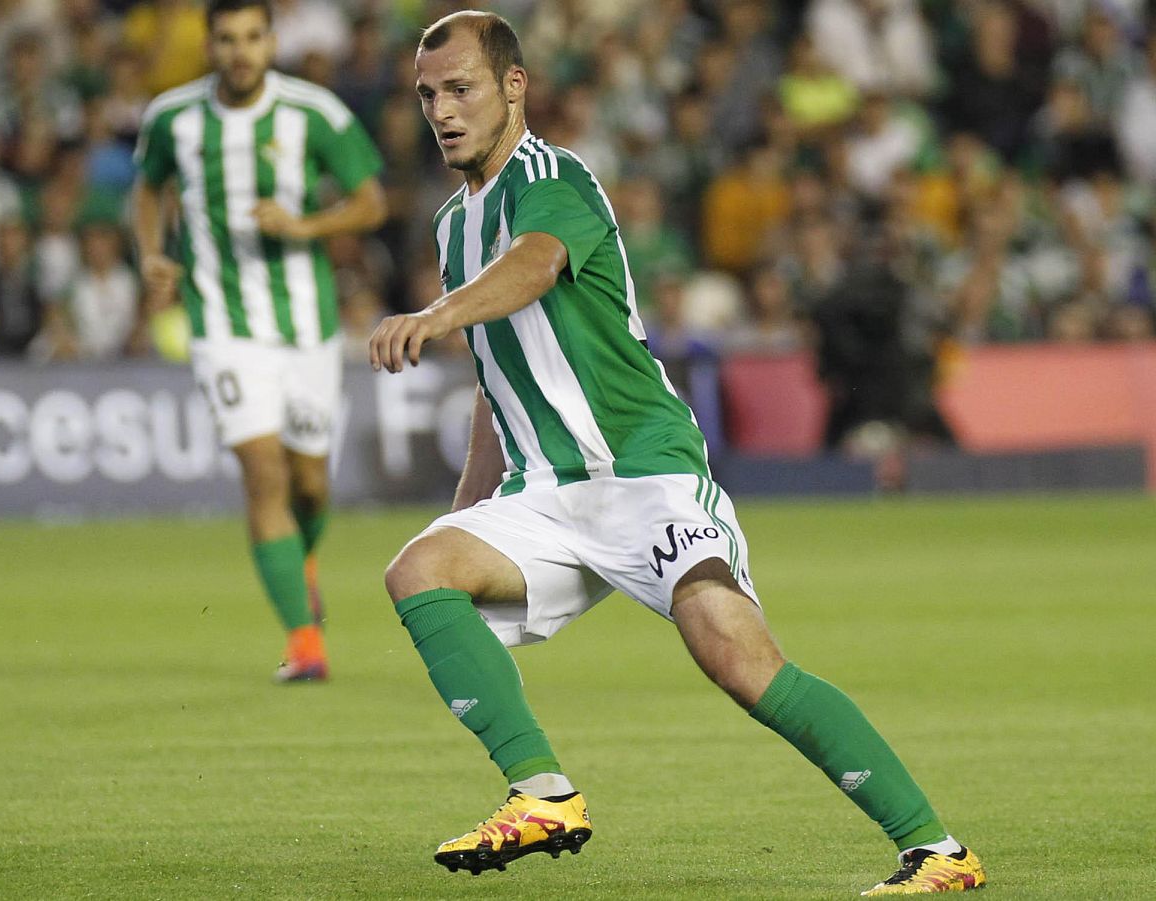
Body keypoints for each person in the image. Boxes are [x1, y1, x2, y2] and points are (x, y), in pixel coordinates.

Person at [366, 11, 984, 894]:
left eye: (461, 88)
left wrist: (435, 314)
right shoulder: (450, 226)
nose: (443, 111)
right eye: (428, 96)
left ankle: (937, 849)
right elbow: (495, 373)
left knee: (737, 657)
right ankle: (542, 793)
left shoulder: (554, 178)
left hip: (642, 472)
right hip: (545, 490)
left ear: (514, 87)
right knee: (420, 567)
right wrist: (470, 505)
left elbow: (537, 265)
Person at [131, 0, 386, 683]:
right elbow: (147, 188)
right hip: (220, 326)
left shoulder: (314, 114)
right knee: (263, 473)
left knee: (309, 481)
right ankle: (305, 639)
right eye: (227, 39)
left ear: (272, 41)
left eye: (252, 38)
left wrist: (302, 227)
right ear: (210, 45)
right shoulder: (172, 118)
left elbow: (371, 201)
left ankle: (301, 561)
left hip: (305, 326)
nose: (240, 51)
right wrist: (152, 254)